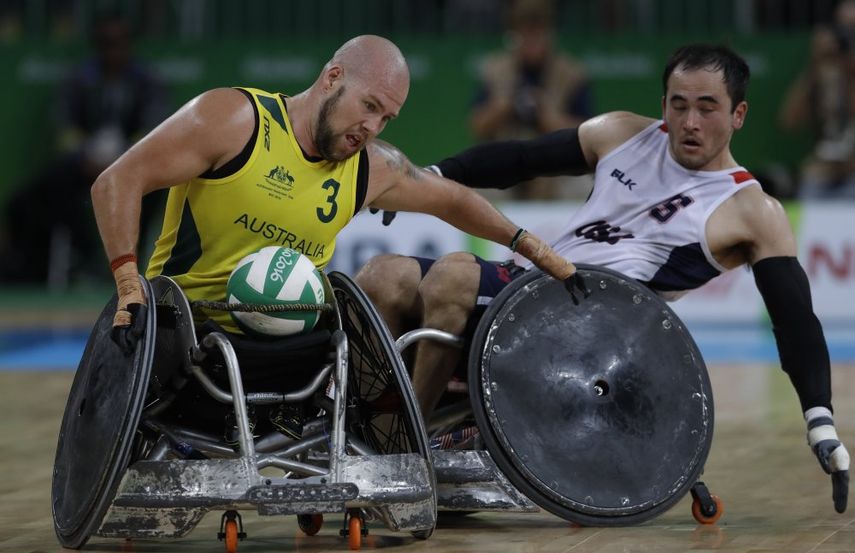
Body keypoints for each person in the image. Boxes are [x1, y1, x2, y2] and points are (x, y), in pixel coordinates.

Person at [356, 44, 850, 513]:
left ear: (738, 115)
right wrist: (434, 175)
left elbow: (794, 322)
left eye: (708, 108)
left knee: (452, 276)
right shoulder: (624, 133)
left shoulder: (751, 209)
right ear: (663, 104)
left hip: (588, 330)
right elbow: (523, 160)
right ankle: (355, 428)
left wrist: (820, 420)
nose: (690, 122)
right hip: (530, 281)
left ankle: (405, 457)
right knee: (383, 276)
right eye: (678, 106)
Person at [89, 35, 580, 442]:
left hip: (294, 343)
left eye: (386, 118)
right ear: (332, 78)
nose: (371, 127)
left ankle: (392, 444)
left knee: (375, 302)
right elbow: (117, 181)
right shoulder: (234, 119)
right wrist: (128, 279)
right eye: (368, 106)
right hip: (189, 331)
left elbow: (452, 200)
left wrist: (529, 245)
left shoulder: (369, 167)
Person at [0, 12, 169, 284]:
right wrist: (84, 154)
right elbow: (64, 126)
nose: (113, 49)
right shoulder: (80, 79)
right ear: (97, 45)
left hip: (132, 164)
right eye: (106, 42)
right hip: (85, 164)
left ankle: (134, 258)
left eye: (120, 42)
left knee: (159, 187)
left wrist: (122, 158)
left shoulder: (147, 81)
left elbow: (154, 128)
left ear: (129, 44)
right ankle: (86, 253)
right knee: (44, 191)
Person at [468, 0, 593, 200]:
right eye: (523, 35)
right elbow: (477, 125)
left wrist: (546, 114)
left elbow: (587, 132)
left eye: (537, 34)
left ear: (550, 35)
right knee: (478, 188)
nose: (530, 42)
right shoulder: (495, 69)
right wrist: (505, 105)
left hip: (556, 163)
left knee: (583, 187)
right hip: (505, 161)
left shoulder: (571, 72)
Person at [779, 0, 855, 199]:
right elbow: (790, 122)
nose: (847, 37)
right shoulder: (823, 73)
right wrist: (815, 64)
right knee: (811, 185)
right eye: (842, 29)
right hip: (824, 170)